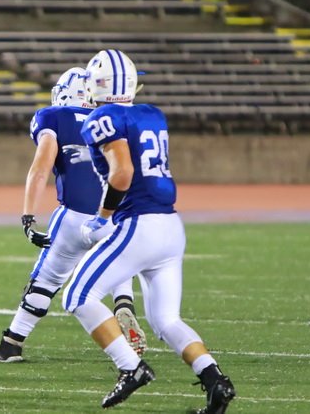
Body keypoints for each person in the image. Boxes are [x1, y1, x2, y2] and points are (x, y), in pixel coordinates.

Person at [61, 50, 236, 412]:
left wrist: (103, 215)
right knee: (166, 319)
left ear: (97, 84)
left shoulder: (102, 116)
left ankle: (131, 368)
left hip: (139, 222)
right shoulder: (151, 113)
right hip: (171, 225)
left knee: (77, 295)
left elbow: (122, 173)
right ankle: (215, 380)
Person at [0, 68, 145, 363]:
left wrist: (28, 217)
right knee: (117, 267)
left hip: (75, 217)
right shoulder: (117, 118)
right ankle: (123, 302)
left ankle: (11, 345)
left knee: (46, 281)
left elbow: (40, 169)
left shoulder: (53, 116)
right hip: (117, 215)